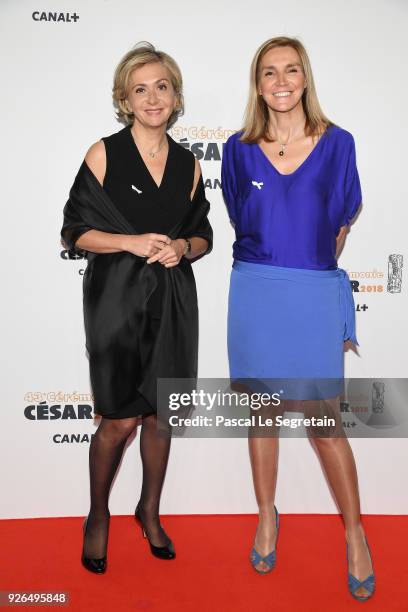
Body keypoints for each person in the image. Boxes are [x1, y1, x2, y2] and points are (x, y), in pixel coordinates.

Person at [221, 36, 375, 601]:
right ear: (257, 84)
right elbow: (245, 220)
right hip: (256, 293)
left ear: (305, 78)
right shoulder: (238, 150)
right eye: (269, 73)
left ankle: (355, 534)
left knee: (324, 423)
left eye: (290, 71)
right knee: (261, 415)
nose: (280, 81)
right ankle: (267, 514)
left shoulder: (339, 144)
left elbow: (336, 228)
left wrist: (308, 274)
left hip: (310, 294)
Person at [61, 42, 212, 574]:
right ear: (125, 99)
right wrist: (128, 242)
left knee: (162, 417)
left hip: (172, 303)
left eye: (162, 86)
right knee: (118, 422)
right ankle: (98, 514)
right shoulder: (104, 153)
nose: (153, 98)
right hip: (116, 303)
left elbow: (202, 236)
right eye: (140, 89)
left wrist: (182, 248)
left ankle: (148, 510)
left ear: (175, 95)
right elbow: (75, 232)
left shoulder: (191, 164)